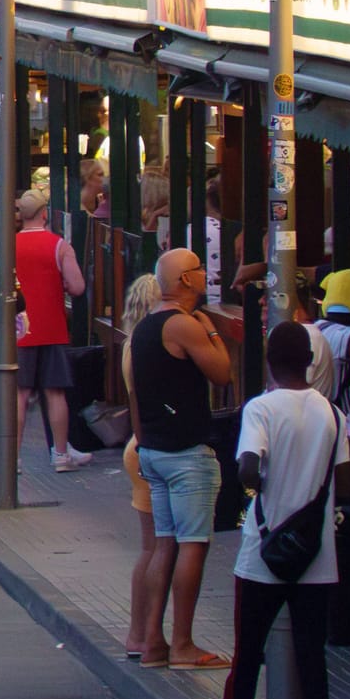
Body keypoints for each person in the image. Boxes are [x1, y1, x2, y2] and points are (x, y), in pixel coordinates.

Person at [224, 321, 350, 699]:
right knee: (312, 659)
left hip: (262, 553)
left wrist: (261, 483)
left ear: (268, 360)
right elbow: (348, 482)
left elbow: (246, 466)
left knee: (246, 659)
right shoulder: (333, 413)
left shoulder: (260, 408)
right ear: (312, 362)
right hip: (317, 558)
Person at [131, 247, 235, 670]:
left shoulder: (144, 328)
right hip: (186, 453)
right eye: (198, 268)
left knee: (164, 544)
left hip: (154, 449)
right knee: (193, 543)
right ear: (186, 280)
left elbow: (137, 394)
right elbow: (222, 373)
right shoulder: (183, 325)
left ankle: (154, 642)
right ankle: (183, 644)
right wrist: (210, 331)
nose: (205, 272)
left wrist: (142, 442)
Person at [11, 190, 96, 470]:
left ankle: (13, 457)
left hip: (20, 328)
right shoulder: (59, 245)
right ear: (45, 213)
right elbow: (78, 286)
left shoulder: (8, 246)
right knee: (55, 392)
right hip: (51, 326)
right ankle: (60, 454)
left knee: (19, 394)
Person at [115, 273, 163, 661]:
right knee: (155, 548)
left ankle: (141, 633)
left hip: (137, 446)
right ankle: (142, 633)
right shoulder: (149, 346)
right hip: (147, 446)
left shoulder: (131, 343)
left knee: (151, 547)